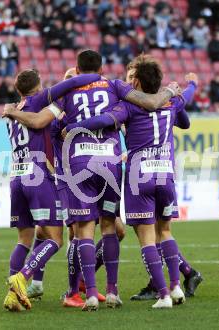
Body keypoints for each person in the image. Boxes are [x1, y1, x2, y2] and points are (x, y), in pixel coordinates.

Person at [2, 49, 180, 311]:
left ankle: (88, 293)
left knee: (79, 232)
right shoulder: (114, 86)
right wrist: (173, 91)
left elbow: (40, 121)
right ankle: (107, 291)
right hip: (108, 163)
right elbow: (150, 103)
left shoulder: (65, 94)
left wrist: (12, 111)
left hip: (75, 167)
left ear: (76, 67)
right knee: (108, 227)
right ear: (101, 67)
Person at [63, 55, 198, 308]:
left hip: (139, 175)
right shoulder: (173, 102)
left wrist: (75, 126)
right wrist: (191, 87)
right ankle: (176, 287)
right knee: (165, 231)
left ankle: (163, 296)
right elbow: (186, 121)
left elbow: (105, 120)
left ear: (135, 82)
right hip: (165, 171)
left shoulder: (129, 107)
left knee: (145, 238)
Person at [2, 69, 101, 312]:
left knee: (24, 240)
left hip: (17, 175)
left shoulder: (11, 112)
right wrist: (95, 78)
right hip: (39, 175)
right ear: (39, 87)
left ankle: (13, 295)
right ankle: (22, 278)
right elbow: (68, 89)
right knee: (56, 239)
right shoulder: (41, 103)